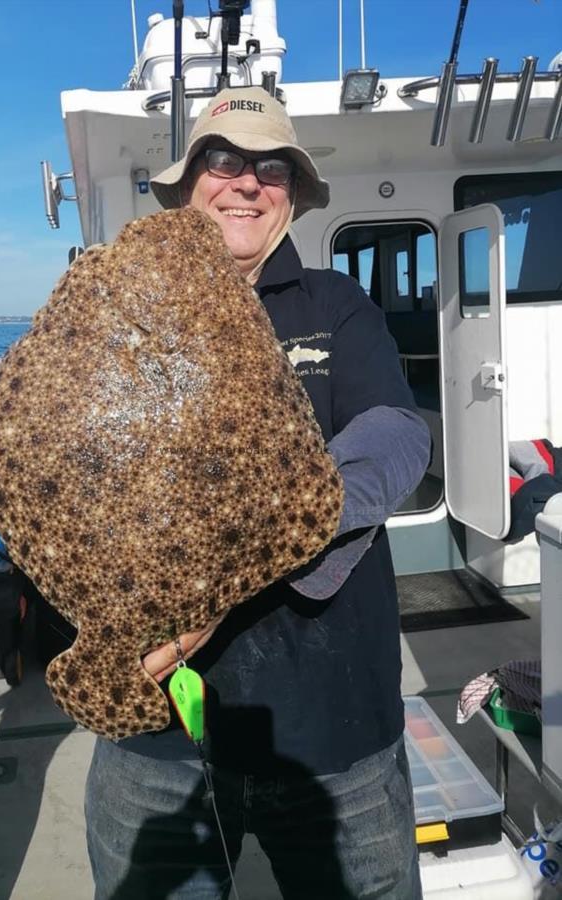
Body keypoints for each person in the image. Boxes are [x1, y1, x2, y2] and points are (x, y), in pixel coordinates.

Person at [85, 86, 430, 899]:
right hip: (156, 733)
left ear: (292, 193)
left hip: (331, 729)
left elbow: (396, 437)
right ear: (187, 183)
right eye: (222, 159)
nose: (245, 181)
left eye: (270, 166)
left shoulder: (336, 308)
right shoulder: (118, 316)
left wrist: (244, 554)